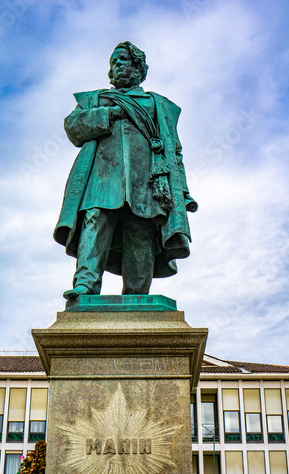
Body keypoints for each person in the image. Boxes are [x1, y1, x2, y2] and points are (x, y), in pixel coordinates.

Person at [53, 41, 197, 299]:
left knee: (140, 233)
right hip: (101, 179)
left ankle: (137, 295)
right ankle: (85, 285)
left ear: (138, 67)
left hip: (145, 182)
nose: (117, 65)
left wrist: (182, 191)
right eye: (113, 62)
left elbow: (174, 151)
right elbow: (74, 127)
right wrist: (111, 114)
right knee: (94, 223)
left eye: (123, 60)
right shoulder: (96, 100)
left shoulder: (156, 104)